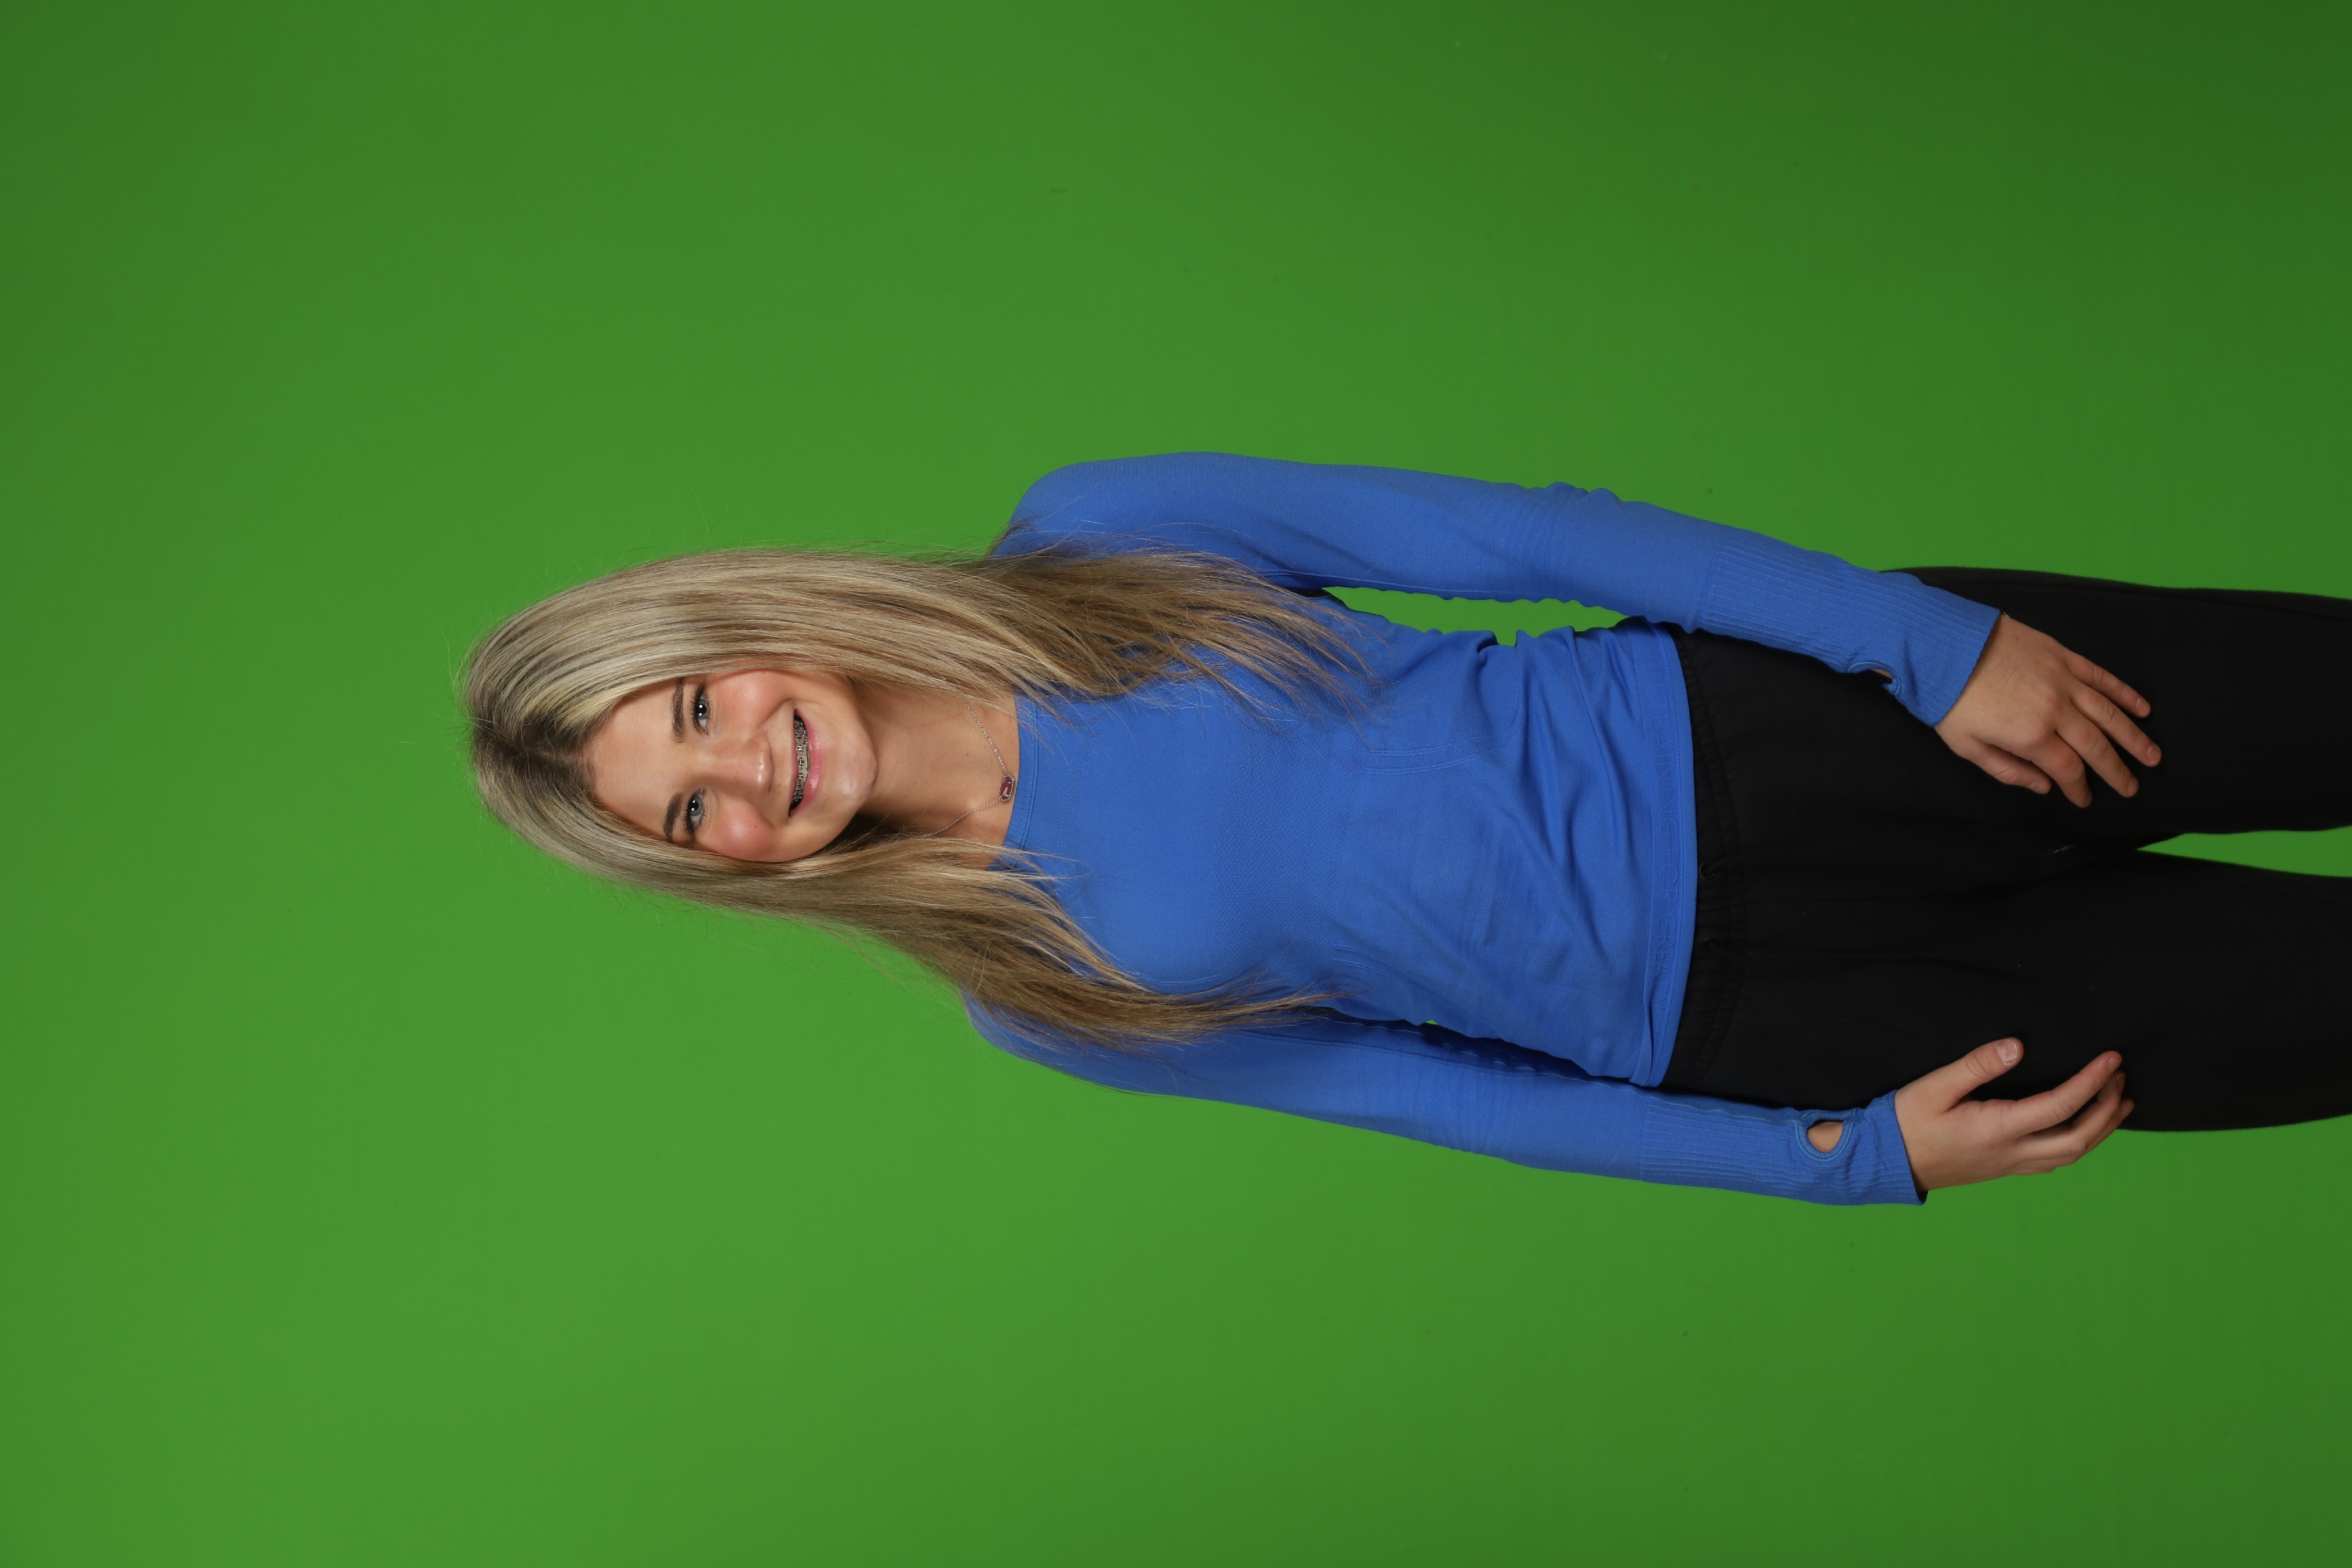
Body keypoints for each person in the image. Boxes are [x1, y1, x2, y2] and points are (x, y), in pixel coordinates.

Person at [465, 453, 2352, 1204]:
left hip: (1800, 731)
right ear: (721, 870)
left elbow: (1519, 540)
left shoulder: (1100, 539)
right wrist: (1841, 1160)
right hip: (1785, 1010)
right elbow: (1442, 1097)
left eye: (697, 709)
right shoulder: (1036, 987)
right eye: (693, 816)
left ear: (742, 628)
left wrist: (1924, 646)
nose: (745, 772)